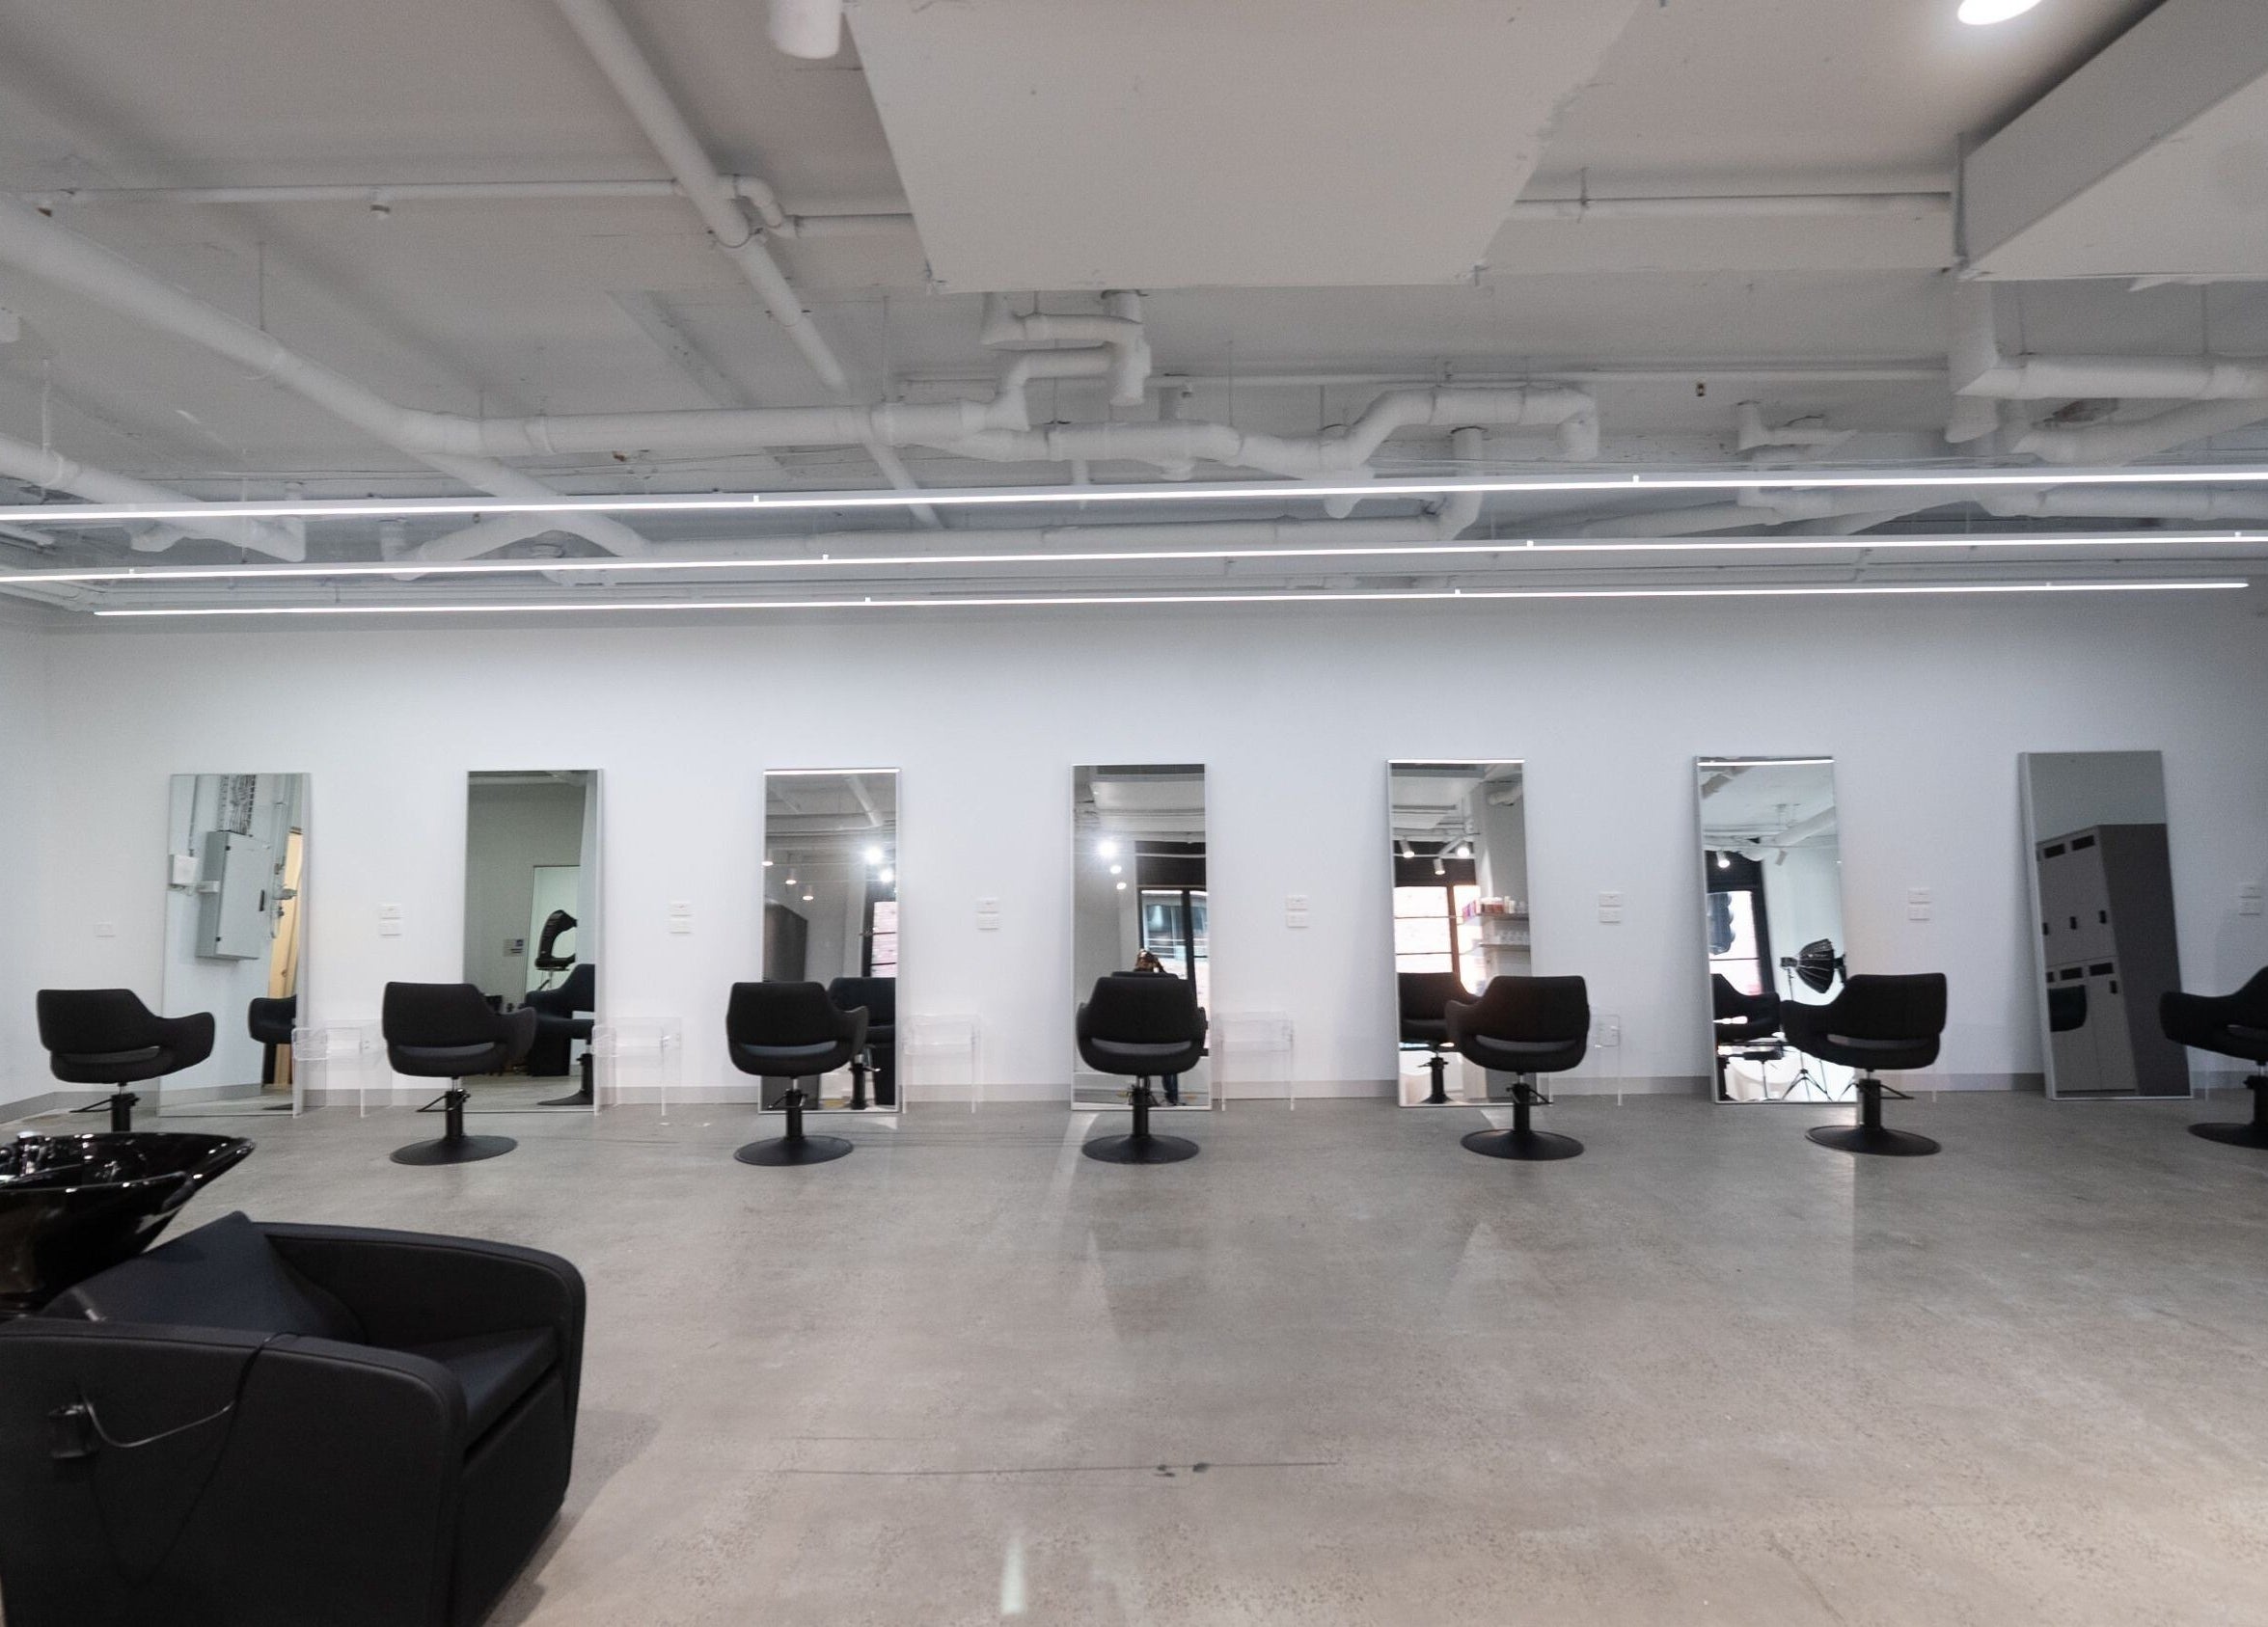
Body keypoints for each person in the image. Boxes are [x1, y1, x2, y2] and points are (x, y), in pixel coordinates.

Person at [1129, 951, 1183, 1103]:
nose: (1142, 964)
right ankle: (1170, 1097)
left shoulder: (1135, 979)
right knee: (1165, 1063)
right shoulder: (1162, 980)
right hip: (1156, 1027)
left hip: (1148, 1027)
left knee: (1149, 1064)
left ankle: (1156, 1095)